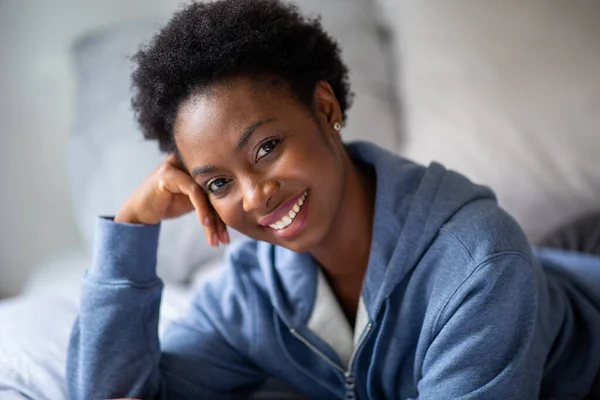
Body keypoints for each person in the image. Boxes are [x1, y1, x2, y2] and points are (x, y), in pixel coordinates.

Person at [66, 0, 600, 399]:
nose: (255, 196)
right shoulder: (252, 291)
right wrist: (132, 227)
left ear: (324, 110)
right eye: (218, 183)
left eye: (267, 147)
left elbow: (484, 266)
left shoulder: (478, 267)